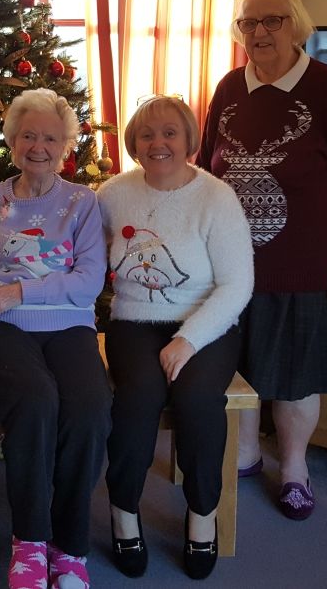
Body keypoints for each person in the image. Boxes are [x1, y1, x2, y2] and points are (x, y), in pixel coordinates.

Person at [198, 0, 327, 521]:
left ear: (295, 24)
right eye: (248, 24)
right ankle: (247, 452)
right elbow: (206, 169)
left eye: (270, 21)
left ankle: (295, 467)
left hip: (304, 265)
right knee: (238, 370)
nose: (258, 34)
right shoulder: (230, 87)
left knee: (295, 376)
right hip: (230, 267)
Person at [0, 88, 111, 589]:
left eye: (49, 138)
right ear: (12, 140)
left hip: (68, 323)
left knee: (88, 406)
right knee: (36, 401)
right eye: (27, 135)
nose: (37, 146)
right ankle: (30, 542)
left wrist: (21, 290)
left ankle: (71, 545)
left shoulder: (83, 203)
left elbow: (89, 281)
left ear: (66, 145)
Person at [97, 95, 253, 580]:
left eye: (169, 133)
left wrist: (188, 340)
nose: (157, 143)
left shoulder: (216, 197)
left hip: (207, 322)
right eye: (146, 134)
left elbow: (237, 284)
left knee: (199, 399)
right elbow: (73, 244)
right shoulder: (110, 194)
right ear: (133, 144)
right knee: (137, 397)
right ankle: (124, 512)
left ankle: (201, 516)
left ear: (188, 140)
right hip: (133, 320)